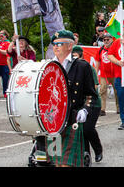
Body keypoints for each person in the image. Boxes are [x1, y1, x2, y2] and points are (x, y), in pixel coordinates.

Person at [48, 30, 98, 167]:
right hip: (52, 121)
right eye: (54, 44)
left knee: (67, 164)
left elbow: (91, 95)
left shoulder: (82, 66)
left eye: (60, 44)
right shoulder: (48, 66)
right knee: (55, 162)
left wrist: (85, 110)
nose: (56, 47)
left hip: (72, 119)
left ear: (70, 46)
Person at [72, 46, 103, 163]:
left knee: (87, 129)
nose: (73, 58)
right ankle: (86, 154)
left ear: (81, 55)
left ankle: (98, 149)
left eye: (76, 55)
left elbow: (94, 87)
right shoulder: (70, 68)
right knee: (80, 130)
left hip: (92, 103)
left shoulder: (88, 67)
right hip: (79, 104)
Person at [94, 32, 118, 116]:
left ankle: (118, 108)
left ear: (112, 40)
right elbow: (97, 62)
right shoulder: (100, 50)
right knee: (102, 91)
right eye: (104, 40)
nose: (106, 41)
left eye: (108, 39)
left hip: (115, 74)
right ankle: (102, 109)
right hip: (104, 74)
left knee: (117, 91)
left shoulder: (115, 49)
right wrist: (96, 74)